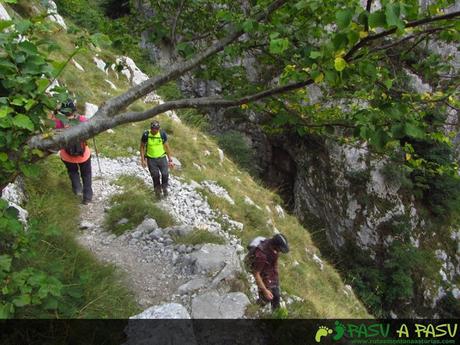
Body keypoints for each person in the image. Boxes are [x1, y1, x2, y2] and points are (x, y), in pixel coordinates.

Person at [54, 99, 93, 205]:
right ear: (73, 109)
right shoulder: (82, 119)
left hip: (67, 154)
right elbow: (90, 130)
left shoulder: (59, 122)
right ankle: (87, 197)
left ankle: (77, 189)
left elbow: (54, 132)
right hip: (83, 154)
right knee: (86, 174)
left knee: (72, 171)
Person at [248, 233, 289, 310]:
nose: (279, 251)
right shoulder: (261, 256)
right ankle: (255, 308)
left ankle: (276, 314)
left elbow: (275, 263)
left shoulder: (271, 245)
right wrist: (265, 291)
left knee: (276, 294)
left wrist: (276, 278)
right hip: (260, 271)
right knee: (269, 297)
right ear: (275, 246)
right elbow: (256, 274)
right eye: (279, 249)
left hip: (267, 270)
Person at [140, 120, 174, 198]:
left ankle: (165, 188)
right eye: (154, 129)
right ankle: (157, 192)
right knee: (155, 176)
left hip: (162, 158)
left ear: (159, 128)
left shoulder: (162, 134)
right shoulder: (146, 134)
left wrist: (170, 160)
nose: (155, 131)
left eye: (157, 129)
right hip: (151, 159)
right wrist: (143, 159)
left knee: (165, 174)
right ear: (151, 128)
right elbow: (142, 146)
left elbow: (167, 147)